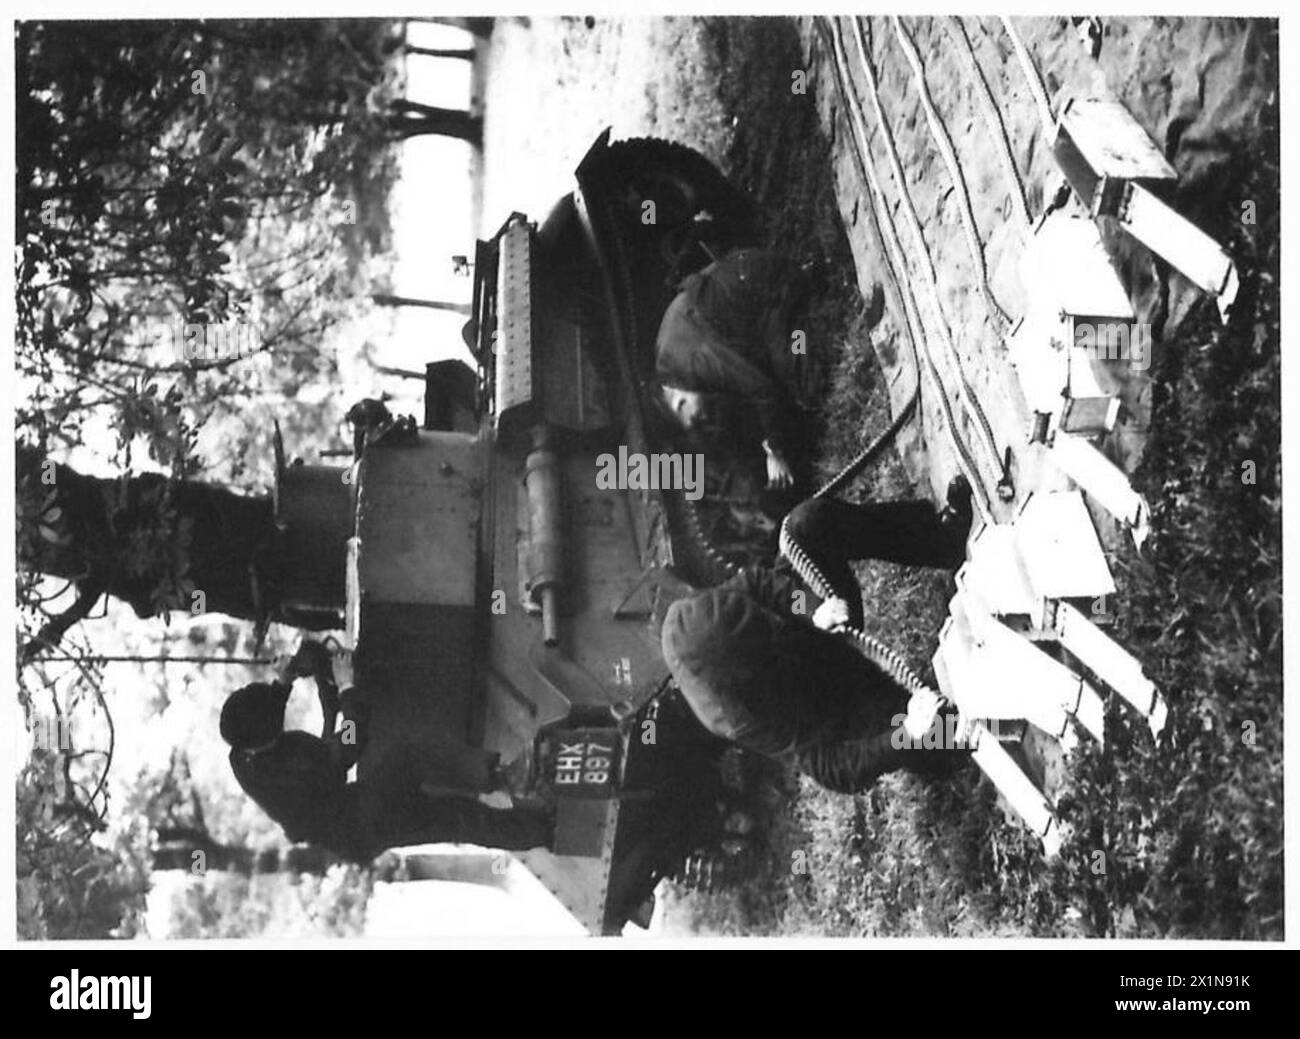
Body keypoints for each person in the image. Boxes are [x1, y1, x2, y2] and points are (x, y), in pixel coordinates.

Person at [660, 480, 974, 794]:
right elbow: (833, 767)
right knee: (936, 733)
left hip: (819, 621)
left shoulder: (705, 611)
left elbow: (757, 584)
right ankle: (946, 753)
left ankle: (942, 540)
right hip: (833, 697)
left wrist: (811, 609)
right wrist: (906, 734)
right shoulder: (745, 717)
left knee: (808, 524)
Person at [220, 640, 551, 861]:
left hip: (355, 829)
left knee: (455, 818)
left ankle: (540, 828)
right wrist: (347, 685)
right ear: (266, 736)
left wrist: (283, 682)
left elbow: (263, 717)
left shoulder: (243, 751)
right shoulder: (293, 775)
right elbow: (349, 745)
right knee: (409, 757)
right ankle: (507, 776)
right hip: (365, 817)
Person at [653, 247, 820, 495]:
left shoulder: (691, 364)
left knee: (805, 385)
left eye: (695, 419)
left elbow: (761, 388)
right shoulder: (668, 361)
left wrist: (775, 451)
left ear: (678, 404)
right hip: (747, 275)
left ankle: (806, 323)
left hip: (772, 284)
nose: (703, 418)